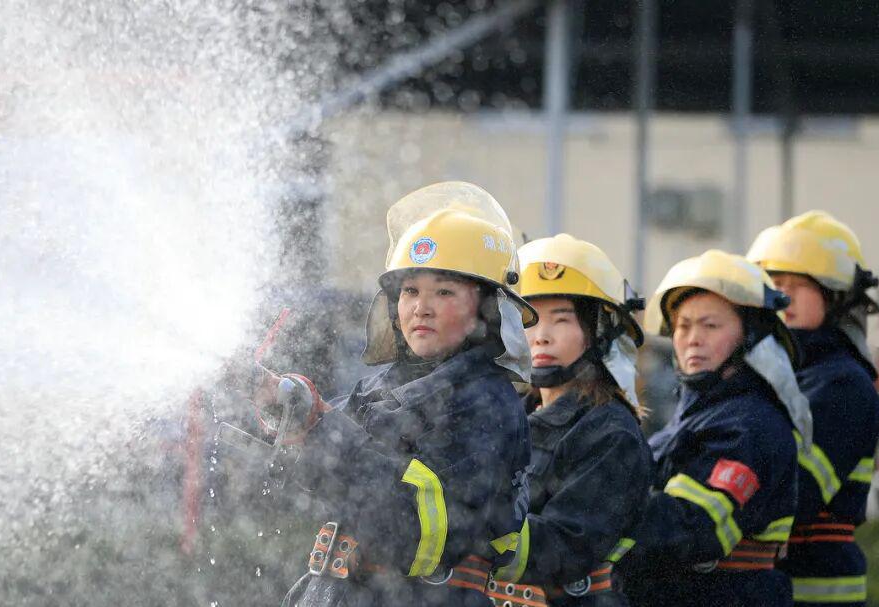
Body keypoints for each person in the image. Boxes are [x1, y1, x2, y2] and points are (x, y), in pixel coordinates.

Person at [253, 182, 535, 606]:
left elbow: (419, 533)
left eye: (444, 291)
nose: (420, 306)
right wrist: (279, 404)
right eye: (409, 291)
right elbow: (307, 466)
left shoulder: (487, 404)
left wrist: (317, 426)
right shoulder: (381, 387)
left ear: (486, 311)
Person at [621, 249, 812, 607]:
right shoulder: (690, 422)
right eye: (683, 325)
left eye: (710, 326)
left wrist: (595, 506)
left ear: (750, 336)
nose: (692, 338)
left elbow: (690, 529)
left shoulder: (751, 426)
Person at [488, 234, 652, 607]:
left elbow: (567, 547)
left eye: (561, 320)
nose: (541, 337)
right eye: (529, 320)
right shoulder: (509, 418)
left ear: (599, 333)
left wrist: (467, 527)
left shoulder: (611, 434)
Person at [747, 211, 879, 607]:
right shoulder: (772, 376)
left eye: (798, 286)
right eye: (774, 285)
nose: (782, 297)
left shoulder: (842, 385)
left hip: (814, 588)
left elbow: (796, 492)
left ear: (836, 297)